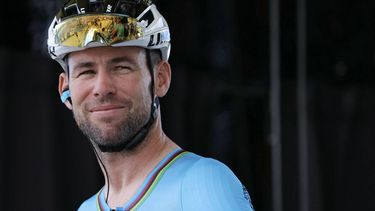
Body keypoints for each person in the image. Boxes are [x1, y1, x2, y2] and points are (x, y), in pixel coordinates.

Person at [47, 0, 255, 210]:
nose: (102, 87)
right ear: (66, 89)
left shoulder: (204, 182)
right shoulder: (86, 209)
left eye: (121, 67)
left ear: (161, 78)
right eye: (86, 71)